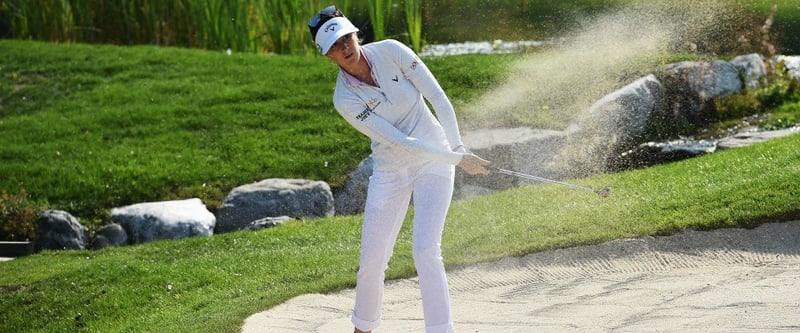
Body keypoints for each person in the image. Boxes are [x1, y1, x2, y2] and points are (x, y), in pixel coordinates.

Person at [308, 6, 491, 333]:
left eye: (346, 38)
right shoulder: (344, 98)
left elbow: (437, 97)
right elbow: (399, 140)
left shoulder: (392, 51)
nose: (345, 49)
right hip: (391, 171)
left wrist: (457, 147)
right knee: (372, 260)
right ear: (327, 56)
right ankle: (363, 327)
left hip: (435, 162)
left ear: (355, 34)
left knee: (425, 250)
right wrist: (457, 159)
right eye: (335, 46)